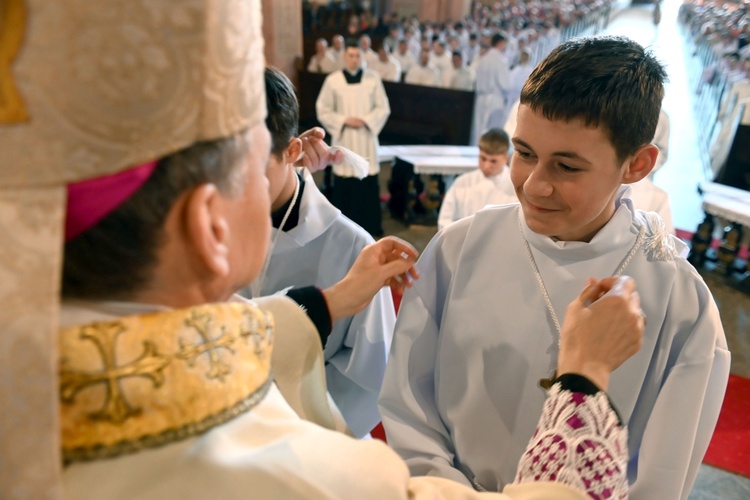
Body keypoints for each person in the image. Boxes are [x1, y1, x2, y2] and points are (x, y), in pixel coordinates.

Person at [2, 4, 646, 499]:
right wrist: (583, 379)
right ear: (210, 228)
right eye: (259, 169)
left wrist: (330, 302)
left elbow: (190, 345)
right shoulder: (304, 477)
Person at [380, 36, 730, 499]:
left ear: (637, 164)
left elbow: (665, 470)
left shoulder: (679, 300)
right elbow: (409, 401)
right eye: (524, 153)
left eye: (566, 166)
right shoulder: (459, 248)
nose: (534, 186)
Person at [243, 67, 397, 437]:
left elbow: (371, 376)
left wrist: (289, 426)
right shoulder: (203, 231)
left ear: (292, 150)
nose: (234, 186)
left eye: (251, 167)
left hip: (307, 442)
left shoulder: (351, 246)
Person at [316, 39, 391, 237]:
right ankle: (344, 230)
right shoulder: (333, 80)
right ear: (344, 56)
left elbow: (383, 107)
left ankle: (369, 226)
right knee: (345, 181)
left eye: (358, 55)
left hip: (366, 138)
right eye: (350, 55)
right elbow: (323, 109)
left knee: (366, 181)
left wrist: (366, 120)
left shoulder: (372, 79)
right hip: (345, 138)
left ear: (362, 57)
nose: (354, 59)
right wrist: (344, 120)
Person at [437, 128, 516, 230]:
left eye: (493, 161)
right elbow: (445, 220)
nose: (486, 165)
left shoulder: (514, 186)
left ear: (506, 158)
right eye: (483, 158)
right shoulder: (463, 182)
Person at [472, 32, 511, 145]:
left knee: (479, 130)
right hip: (494, 98)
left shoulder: (483, 59)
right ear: (501, 43)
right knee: (492, 131)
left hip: (480, 98)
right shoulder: (500, 60)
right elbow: (505, 84)